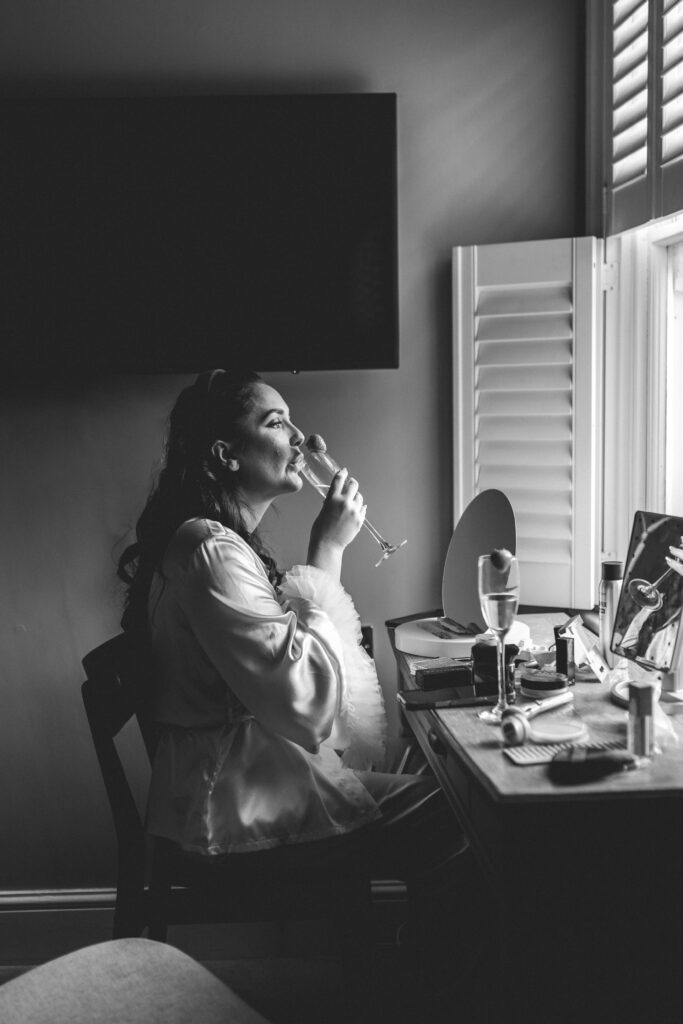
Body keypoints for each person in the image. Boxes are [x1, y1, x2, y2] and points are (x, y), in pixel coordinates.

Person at [117, 368, 480, 1003]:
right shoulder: (208, 552)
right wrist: (327, 554)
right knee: (457, 811)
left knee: (445, 795)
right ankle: (439, 988)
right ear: (225, 454)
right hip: (230, 811)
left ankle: (419, 968)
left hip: (251, 782)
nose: (301, 436)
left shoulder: (220, 544)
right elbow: (304, 706)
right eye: (275, 422)